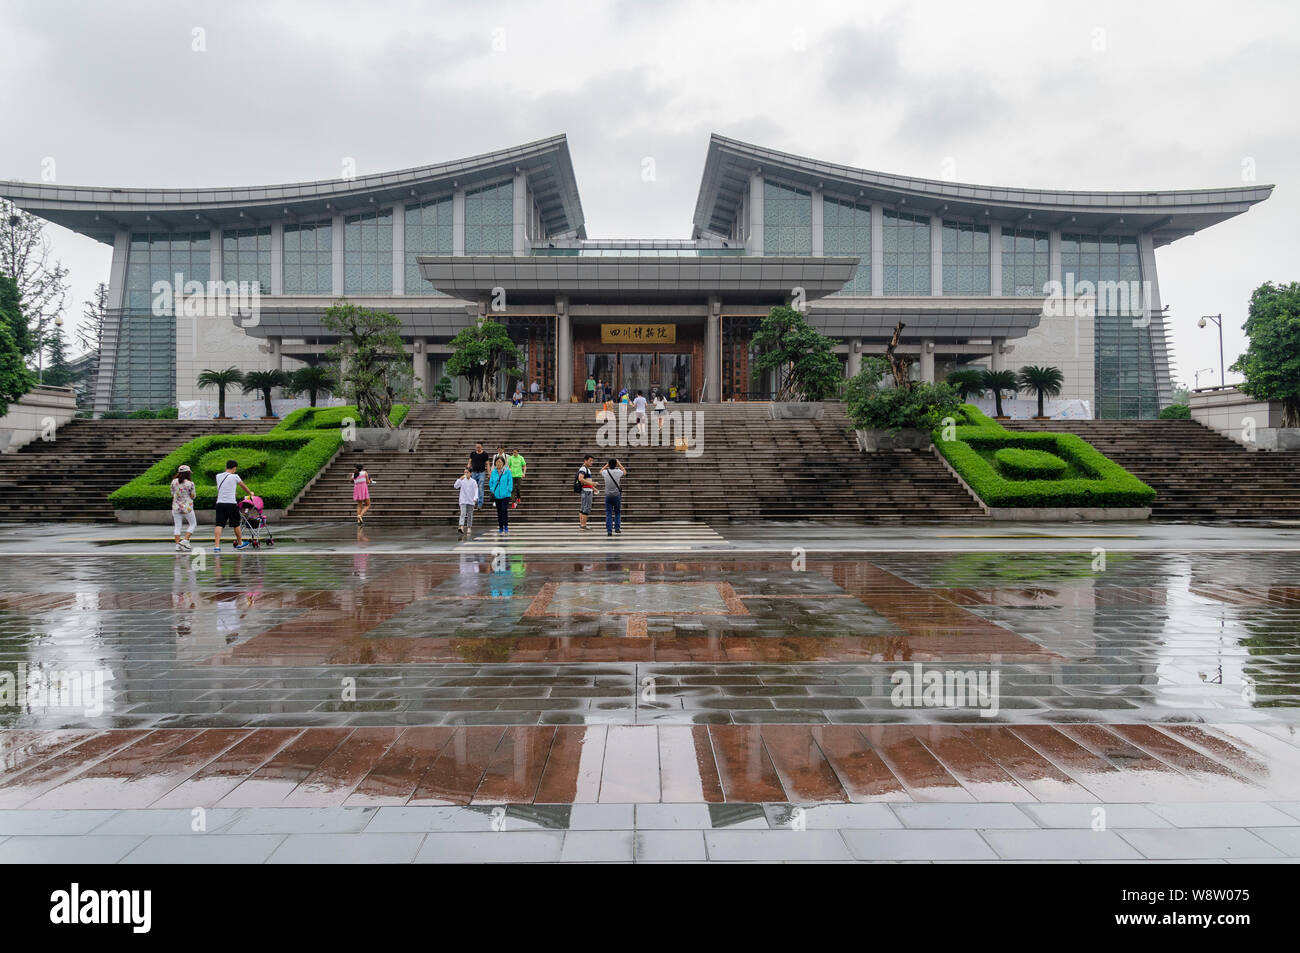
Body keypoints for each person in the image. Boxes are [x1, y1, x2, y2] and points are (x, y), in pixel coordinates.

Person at [213, 459, 253, 553]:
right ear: (234, 468)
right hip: (231, 503)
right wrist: (250, 493)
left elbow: (223, 488)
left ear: (226, 467)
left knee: (219, 524)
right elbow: (243, 486)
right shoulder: (235, 477)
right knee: (236, 524)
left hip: (220, 503)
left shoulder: (218, 476)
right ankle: (240, 543)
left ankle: (217, 546)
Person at [171, 464, 197, 551]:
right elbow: (193, 496)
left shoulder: (174, 482)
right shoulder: (190, 483)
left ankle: (177, 545)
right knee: (193, 524)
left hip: (176, 507)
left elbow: (172, 493)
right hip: (187, 507)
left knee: (177, 526)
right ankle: (185, 540)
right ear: (188, 473)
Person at [601, 457, 625, 536]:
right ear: (615, 464)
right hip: (616, 495)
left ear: (609, 464)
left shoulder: (605, 472)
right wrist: (619, 464)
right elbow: (625, 472)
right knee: (617, 512)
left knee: (608, 513)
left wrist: (606, 465)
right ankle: (617, 528)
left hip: (608, 495)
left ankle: (609, 530)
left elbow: (600, 471)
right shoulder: (618, 472)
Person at [489, 456, 513, 534]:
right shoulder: (493, 472)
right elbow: (491, 482)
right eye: (497, 462)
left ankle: (505, 526)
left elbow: (510, 481)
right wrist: (492, 490)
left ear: (503, 463)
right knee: (499, 511)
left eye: (500, 462)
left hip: (506, 495)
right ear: (495, 463)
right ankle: (500, 527)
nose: (498, 463)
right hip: (497, 495)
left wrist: (508, 490)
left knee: (504, 510)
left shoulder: (507, 471)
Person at [454, 466, 478, 537]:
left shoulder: (473, 481)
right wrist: (459, 479)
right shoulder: (462, 480)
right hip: (463, 500)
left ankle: (469, 527)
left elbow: (476, 490)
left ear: (470, 473)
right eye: (465, 472)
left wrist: (475, 498)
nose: (466, 474)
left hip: (471, 500)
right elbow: (455, 486)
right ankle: (461, 526)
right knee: (463, 513)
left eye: (467, 472)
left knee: (470, 514)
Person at [575, 454, 597, 530]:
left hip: (586, 490)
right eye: (590, 461)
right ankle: (583, 525)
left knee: (583, 507)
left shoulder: (586, 469)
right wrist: (592, 483)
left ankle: (582, 524)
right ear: (585, 460)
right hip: (586, 491)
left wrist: (593, 488)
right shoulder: (583, 468)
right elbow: (580, 479)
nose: (592, 462)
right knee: (587, 507)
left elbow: (586, 480)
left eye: (592, 461)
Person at [467, 441, 490, 509]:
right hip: (473, 472)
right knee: (473, 488)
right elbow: (469, 462)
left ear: (482, 447)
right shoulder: (473, 454)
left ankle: (480, 503)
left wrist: (489, 473)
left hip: (481, 473)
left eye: (479, 447)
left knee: (480, 488)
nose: (477, 448)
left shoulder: (485, 454)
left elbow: (487, 464)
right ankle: (473, 502)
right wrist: (467, 470)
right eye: (476, 447)